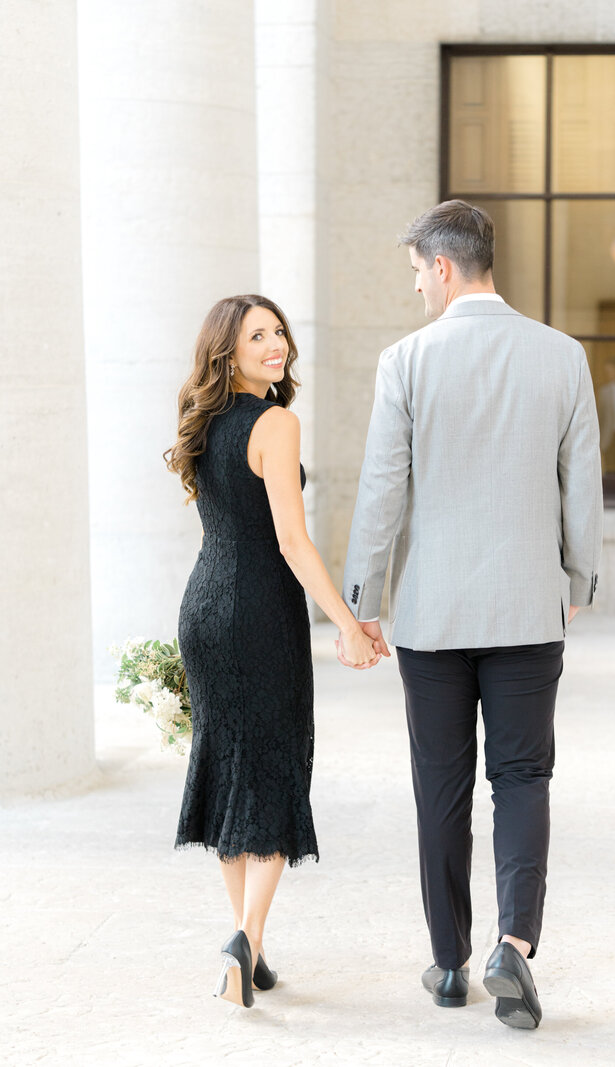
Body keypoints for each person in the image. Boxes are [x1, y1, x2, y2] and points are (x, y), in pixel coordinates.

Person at [340, 201, 603, 1030]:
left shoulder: (407, 361)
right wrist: (579, 580)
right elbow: (583, 487)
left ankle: (450, 962)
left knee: (440, 787)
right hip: (528, 608)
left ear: (444, 267)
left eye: (419, 270)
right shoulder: (562, 357)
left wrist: (363, 602)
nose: (417, 284)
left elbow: (383, 489)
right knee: (524, 776)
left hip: (433, 619)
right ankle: (513, 948)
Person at [164, 294, 380, 1009]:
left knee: (229, 770)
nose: (275, 343)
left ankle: (245, 948)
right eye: (258, 336)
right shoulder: (276, 423)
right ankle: (245, 938)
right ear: (228, 352)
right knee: (277, 768)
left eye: (278, 331)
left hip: (203, 610)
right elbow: (291, 540)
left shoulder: (204, 425)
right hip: (259, 615)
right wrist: (348, 624)